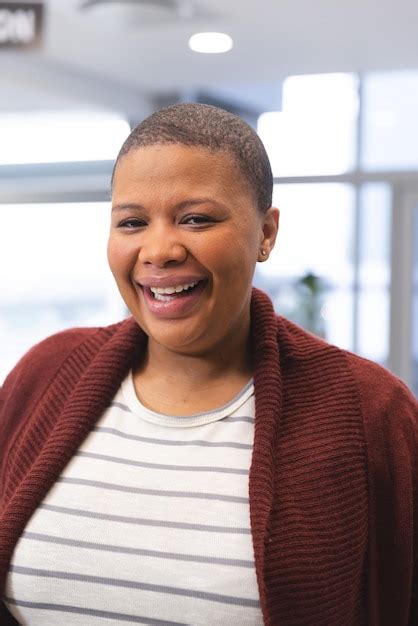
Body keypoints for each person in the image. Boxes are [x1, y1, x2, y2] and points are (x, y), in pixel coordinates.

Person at [0, 103, 417, 626]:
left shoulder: (369, 410)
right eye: (132, 222)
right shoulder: (46, 374)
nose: (159, 250)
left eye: (196, 218)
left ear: (266, 233)